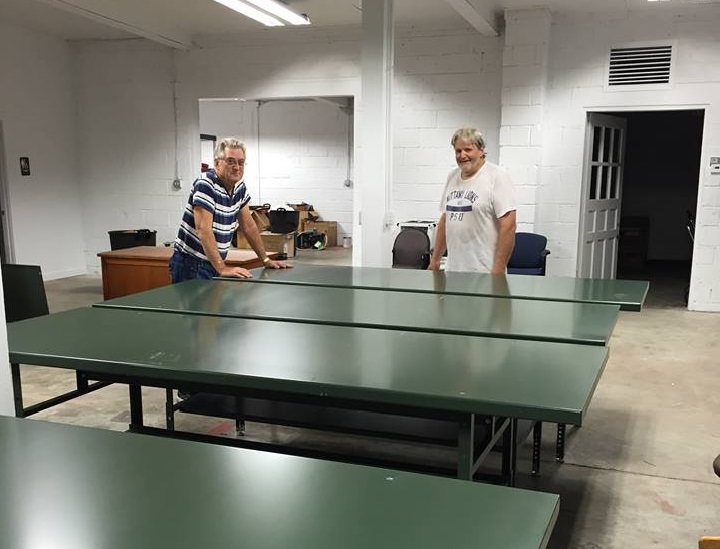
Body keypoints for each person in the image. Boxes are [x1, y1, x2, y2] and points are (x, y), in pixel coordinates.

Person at [170, 137, 290, 282]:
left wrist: (265, 260)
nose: (236, 167)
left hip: (212, 262)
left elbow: (248, 226)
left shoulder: (239, 187)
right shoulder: (206, 184)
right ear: (217, 164)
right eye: (230, 161)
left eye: (240, 162)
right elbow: (203, 229)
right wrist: (222, 268)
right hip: (192, 264)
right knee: (195, 306)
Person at [428, 128, 517, 274]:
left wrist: (499, 269)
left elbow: (509, 225)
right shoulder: (452, 176)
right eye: (458, 151)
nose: (462, 155)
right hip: (454, 270)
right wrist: (435, 260)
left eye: (468, 149)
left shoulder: (497, 176)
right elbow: (445, 220)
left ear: (481, 150)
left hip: (485, 272)